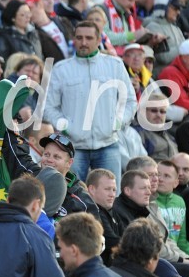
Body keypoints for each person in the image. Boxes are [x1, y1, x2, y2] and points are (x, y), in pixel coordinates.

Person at [44, 20, 136, 181]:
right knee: (73, 197)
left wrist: (118, 122)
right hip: (74, 147)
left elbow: (129, 101)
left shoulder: (115, 65)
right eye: (79, 38)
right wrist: (64, 126)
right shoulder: (61, 69)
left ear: (99, 40)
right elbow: (48, 107)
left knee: (110, 197)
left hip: (109, 144)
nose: (83, 42)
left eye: (89, 38)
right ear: (73, 39)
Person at [143, 0, 186, 76]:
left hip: (177, 78)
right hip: (160, 80)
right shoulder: (152, 27)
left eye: (179, 9)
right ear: (163, 6)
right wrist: (185, 47)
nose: (178, 12)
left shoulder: (176, 28)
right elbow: (163, 57)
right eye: (175, 8)